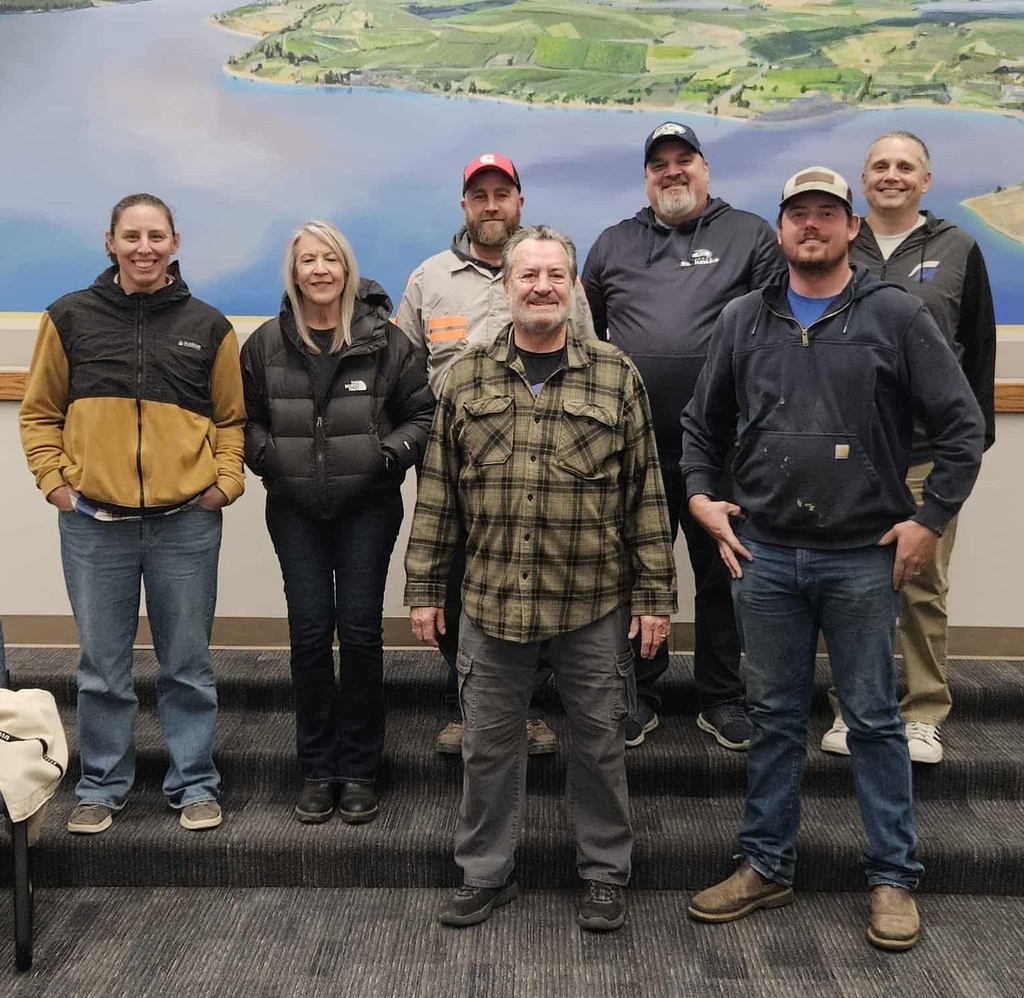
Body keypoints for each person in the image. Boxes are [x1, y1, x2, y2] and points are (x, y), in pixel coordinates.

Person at [681, 167, 984, 951]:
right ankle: (768, 865)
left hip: (860, 560)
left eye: (826, 214)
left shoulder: (897, 316)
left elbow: (960, 429)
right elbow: (700, 426)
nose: (811, 226)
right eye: (797, 215)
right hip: (769, 557)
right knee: (775, 719)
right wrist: (701, 498)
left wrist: (929, 520)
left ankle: (892, 876)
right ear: (780, 230)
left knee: (877, 721)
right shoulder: (745, 319)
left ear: (851, 228)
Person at [405, 225, 676, 932]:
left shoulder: (617, 375)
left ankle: (605, 873)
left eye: (556, 275)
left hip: (591, 602)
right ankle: (485, 873)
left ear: (574, 287)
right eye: (529, 276)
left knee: (599, 743)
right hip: (491, 601)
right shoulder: (465, 377)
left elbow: (646, 497)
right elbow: (439, 494)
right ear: (506, 287)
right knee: (489, 746)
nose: (542, 287)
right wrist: (425, 586)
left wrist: (655, 598)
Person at [19, 192, 246, 834]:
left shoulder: (210, 326)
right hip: (93, 523)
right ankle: (101, 784)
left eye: (156, 236)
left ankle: (195, 782)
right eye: (131, 236)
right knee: (101, 666)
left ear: (175, 243)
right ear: (110, 241)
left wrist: (223, 483)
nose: (144, 248)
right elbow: (39, 413)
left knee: (188, 664)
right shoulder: (68, 318)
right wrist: (56, 483)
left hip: (187, 524)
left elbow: (231, 419)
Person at [582, 122, 785, 750]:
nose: (672, 171)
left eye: (683, 160)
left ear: (704, 168)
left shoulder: (749, 234)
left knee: (724, 572)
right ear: (646, 176)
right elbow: (584, 335)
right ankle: (637, 693)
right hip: (629, 448)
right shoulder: (614, 242)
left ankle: (721, 696)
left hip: (724, 448)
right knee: (632, 573)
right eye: (659, 164)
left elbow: (775, 333)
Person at [397, 152, 595, 757]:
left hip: (544, 468)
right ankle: (471, 709)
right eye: (478, 195)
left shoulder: (555, 277)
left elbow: (586, 357)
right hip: (458, 472)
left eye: (501, 194)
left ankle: (531, 711)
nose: (490, 205)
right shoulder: (429, 279)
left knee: (534, 585)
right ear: (464, 205)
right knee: (461, 590)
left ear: (519, 202)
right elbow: (401, 373)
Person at [241, 221, 434, 825]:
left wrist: (387, 456)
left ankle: (359, 768)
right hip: (294, 509)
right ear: (293, 273)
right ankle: (317, 768)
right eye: (307, 261)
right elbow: (242, 420)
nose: (319, 270)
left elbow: (422, 415)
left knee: (359, 636)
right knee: (307, 637)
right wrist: (267, 456)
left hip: (368, 509)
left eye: (331, 259)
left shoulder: (388, 343)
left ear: (347, 269)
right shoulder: (265, 345)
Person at [820, 131, 997, 764]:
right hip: (848, 462)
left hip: (926, 458)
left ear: (925, 180)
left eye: (905, 166)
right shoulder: (839, 240)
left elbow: (976, 352)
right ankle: (851, 707)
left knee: (921, 586)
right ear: (862, 180)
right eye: (879, 166)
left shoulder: (958, 248)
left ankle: (922, 714)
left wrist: (967, 450)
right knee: (853, 590)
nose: (891, 175)